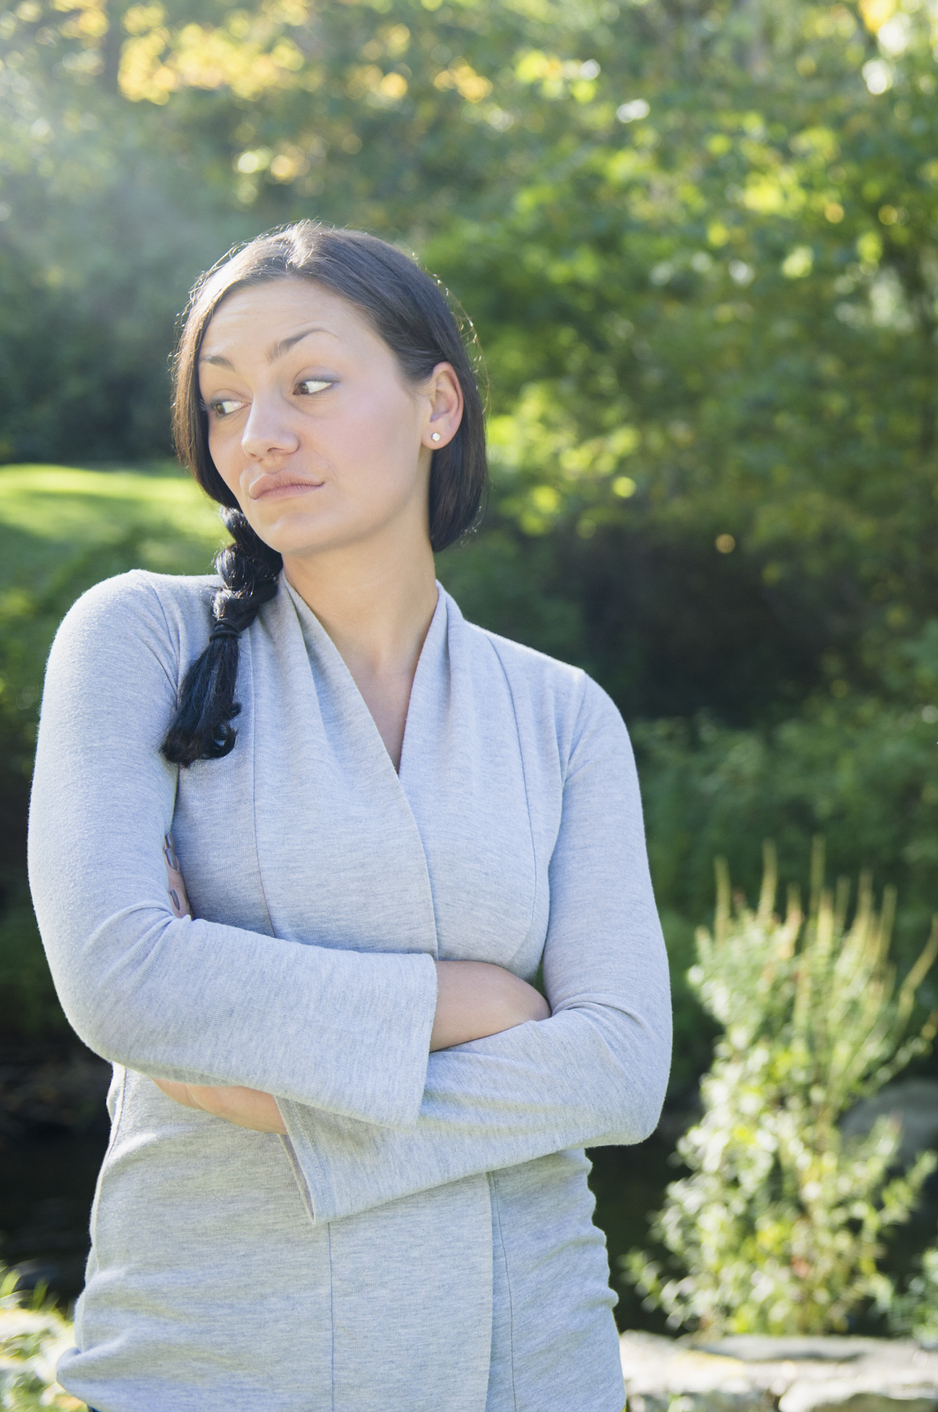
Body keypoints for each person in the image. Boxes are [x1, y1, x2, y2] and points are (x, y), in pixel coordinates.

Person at [27, 222, 672, 1411]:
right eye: (223, 404)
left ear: (437, 405)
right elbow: (121, 974)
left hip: (530, 1366)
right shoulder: (140, 639)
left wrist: (279, 1099)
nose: (257, 436)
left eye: (309, 383)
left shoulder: (561, 713)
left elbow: (623, 1070)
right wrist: (465, 1002)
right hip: (214, 1367)